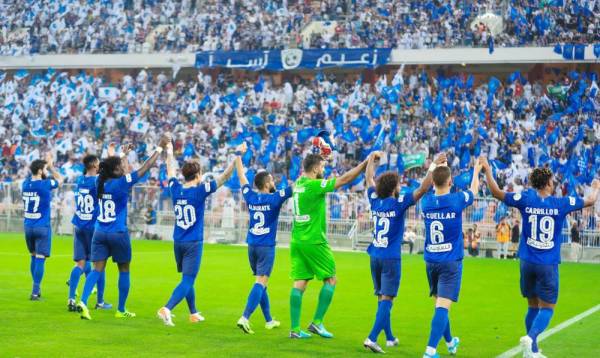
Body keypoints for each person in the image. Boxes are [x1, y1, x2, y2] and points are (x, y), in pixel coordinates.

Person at [481, 158, 600, 358]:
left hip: (527, 262)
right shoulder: (560, 203)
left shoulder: (526, 198)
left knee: (532, 305)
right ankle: (531, 337)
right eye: (552, 181)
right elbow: (590, 200)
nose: (554, 184)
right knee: (548, 308)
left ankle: (532, 352)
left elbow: (496, 193)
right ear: (546, 184)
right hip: (548, 263)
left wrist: (487, 171)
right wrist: (595, 187)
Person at [77, 136, 170, 320]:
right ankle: (121, 309)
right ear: (115, 171)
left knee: (97, 269)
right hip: (118, 232)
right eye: (119, 166)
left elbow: (108, 167)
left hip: (100, 232)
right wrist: (159, 148)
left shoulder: (99, 182)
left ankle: (84, 301)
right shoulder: (122, 182)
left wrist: (122, 154)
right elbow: (144, 168)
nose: (122, 168)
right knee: (124, 269)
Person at [363, 152, 445, 353]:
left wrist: (371, 161)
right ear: (394, 188)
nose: (401, 187)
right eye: (398, 184)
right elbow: (424, 188)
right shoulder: (399, 203)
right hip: (391, 258)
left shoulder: (374, 199)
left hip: (374, 255)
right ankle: (372, 338)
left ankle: (389, 337)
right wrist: (433, 164)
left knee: (382, 298)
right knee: (388, 299)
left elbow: (368, 179)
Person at [288, 151, 374, 339]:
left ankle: (295, 329)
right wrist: (364, 163)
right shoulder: (313, 185)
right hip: (314, 240)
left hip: (297, 240)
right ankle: (317, 323)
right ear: (316, 168)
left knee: (300, 282)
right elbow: (343, 180)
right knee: (331, 279)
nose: (324, 169)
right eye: (323, 166)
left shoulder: (298, 184)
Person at [157, 141, 236, 326]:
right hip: (193, 242)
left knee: (186, 277)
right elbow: (224, 177)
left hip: (178, 241)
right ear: (198, 175)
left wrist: (169, 151)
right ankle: (166, 308)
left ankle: (193, 313)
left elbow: (170, 170)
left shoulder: (175, 189)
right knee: (188, 279)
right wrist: (236, 159)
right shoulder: (201, 190)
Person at [420, 158, 482, 358]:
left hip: (431, 261)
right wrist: (476, 170)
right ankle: (430, 351)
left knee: (440, 305)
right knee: (442, 307)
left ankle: (450, 342)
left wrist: (434, 167)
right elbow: (474, 190)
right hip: (450, 262)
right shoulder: (456, 199)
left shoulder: (426, 201)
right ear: (450, 181)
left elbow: (425, 185)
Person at [234, 143, 292, 334]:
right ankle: (245, 317)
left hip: (251, 245)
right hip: (266, 246)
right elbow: (297, 185)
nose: (274, 181)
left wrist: (238, 156)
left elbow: (242, 178)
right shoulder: (275, 198)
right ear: (267, 184)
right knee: (261, 282)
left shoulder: (251, 196)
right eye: (271, 180)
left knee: (261, 282)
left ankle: (268, 320)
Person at [67, 154, 111, 312]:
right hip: (92, 226)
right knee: (100, 265)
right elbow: (109, 173)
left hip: (78, 224)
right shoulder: (97, 180)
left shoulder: (80, 180)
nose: (100, 165)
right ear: (93, 165)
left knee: (80, 264)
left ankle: (71, 299)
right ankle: (100, 302)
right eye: (98, 163)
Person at [22, 152, 63, 300]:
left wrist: (41, 166)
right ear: (40, 171)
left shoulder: (25, 184)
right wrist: (51, 166)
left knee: (33, 257)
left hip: (28, 226)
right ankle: (35, 291)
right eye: (43, 169)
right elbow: (60, 180)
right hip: (42, 226)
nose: (45, 171)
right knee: (40, 258)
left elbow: (32, 177)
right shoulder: (46, 184)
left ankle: (35, 289)